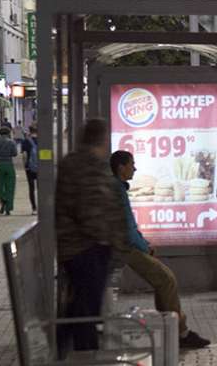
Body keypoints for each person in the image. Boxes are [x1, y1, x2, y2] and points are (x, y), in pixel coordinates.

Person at [109, 151, 211, 349]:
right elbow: (127, 227)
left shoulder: (117, 187)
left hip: (127, 244)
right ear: (121, 168)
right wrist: (144, 247)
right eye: (132, 164)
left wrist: (143, 243)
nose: (135, 168)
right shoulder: (116, 190)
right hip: (125, 247)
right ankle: (180, 333)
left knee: (164, 280)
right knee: (165, 279)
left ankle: (174, 329)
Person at [55, 118, 130, 351]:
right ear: (102, 138)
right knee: (86, 307)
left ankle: (61, 347)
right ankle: (85, 351)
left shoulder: (73, 162)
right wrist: (108, 240)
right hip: (87, 249)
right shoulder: (89, 164)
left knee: (79, 303)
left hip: (74, 247)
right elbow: (91, 210)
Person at [0, 127, 18, 215]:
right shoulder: (12, 142)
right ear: (8, 134)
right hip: (9, 165)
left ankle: (2, 200)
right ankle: (8, 208)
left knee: (1, 185)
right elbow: (15, 153)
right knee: (10, 186)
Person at [21, 126, 38, 214]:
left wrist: (25, 166)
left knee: (31, 188)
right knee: (41, 188)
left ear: (30, 131)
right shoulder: (43, 140)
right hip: (41, 168)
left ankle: (34, 208)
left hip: (29, 168)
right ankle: (42, 206)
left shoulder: (25, 141)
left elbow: (24, 155)